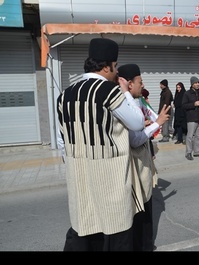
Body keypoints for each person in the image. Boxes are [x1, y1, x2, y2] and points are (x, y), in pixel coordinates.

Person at [57, 38, 147, 251]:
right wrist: (125, 91)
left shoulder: (65, 95)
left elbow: (62, 140)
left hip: (79, 175)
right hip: (111, 177)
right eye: (115, 67)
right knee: (116, 231)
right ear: (107, 66)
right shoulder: (109, 91)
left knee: (86, 227)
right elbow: (136, 123)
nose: (117, 73)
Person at [117, 63, 170, 251]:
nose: (143, 84)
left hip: (143, 165)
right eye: (140, 81)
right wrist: (157, 124)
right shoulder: (123, 104)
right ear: (129, 84)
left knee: (145, 210)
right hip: (135, 169)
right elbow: (135, 139)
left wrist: (150, 123)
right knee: (141, 213)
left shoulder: (135, 101)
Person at [182, 76, 199, 160]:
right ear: (192, 84)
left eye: (198, 82)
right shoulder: (187, 93)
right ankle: (188, 153)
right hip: (192, 118)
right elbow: (184, 105)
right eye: (196, 83)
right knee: (190, 136)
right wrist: (193, 104)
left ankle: (197, 152)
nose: (197, 84)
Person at [141, 88, 156, 159]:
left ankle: (152, 154)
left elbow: (148, 112)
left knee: (148, 139)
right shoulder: (140, 101)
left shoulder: (144, 101)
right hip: (143, 122)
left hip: (146, 122)